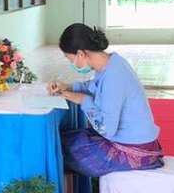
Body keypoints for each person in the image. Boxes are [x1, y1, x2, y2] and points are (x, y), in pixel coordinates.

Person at [48, 24, 163, 176]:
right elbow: (95, 86)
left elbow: (107, 130)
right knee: (66, 139)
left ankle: (66, 190)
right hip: (131, 140)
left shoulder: (113, 76)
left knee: (59, 148)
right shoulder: (111, 62)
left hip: (134, 150)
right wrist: (69, 87)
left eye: (70, 59)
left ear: (81, 54)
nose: (72, 64)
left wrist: (83, 100)